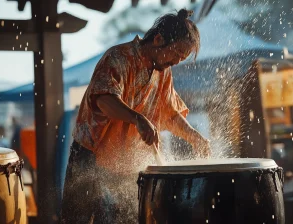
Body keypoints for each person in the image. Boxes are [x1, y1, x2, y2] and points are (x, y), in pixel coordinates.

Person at [61, 9, 210, 223]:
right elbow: (104, 101)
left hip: (128, 165)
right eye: (176, 54)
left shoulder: (164, 73)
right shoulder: (118, 57)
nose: (176, 62)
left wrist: (195, 136)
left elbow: (171, 114)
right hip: (90, 156)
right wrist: (138, 119)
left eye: (181, 58)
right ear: (158, 39)